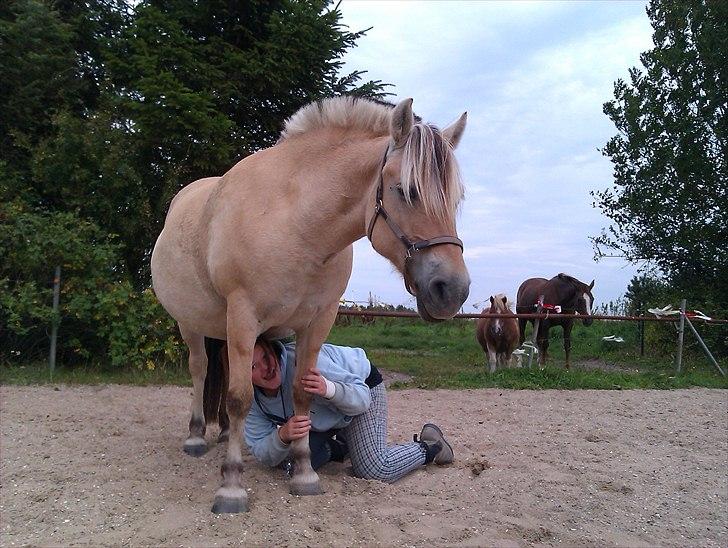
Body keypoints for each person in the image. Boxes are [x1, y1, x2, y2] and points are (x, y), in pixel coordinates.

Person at [244, 338, 453, 483]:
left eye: (266, 357)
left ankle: (432, 445)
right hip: (321, 417)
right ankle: (341, 446)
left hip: (359, 390)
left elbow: (361, 400)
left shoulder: (303, 360)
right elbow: (262, 452)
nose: (266, 368)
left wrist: (329, 388)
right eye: (253, 367)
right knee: (290, 465)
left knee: (375, 469)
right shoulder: (250, 398)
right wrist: (282, 435)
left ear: (273, 349)